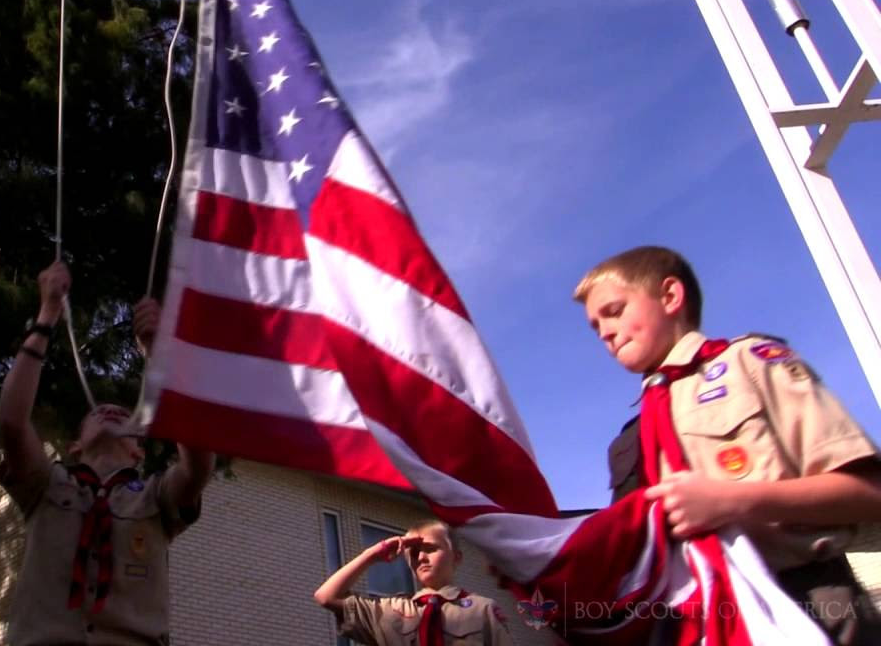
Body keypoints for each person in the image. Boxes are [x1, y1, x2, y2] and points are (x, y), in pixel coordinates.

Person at [575, 245, 881, 643]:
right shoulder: (631, 438)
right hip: (693, 623)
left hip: (803, 603)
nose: (605, 333)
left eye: (614, 311)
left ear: (670, 297)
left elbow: (870, 492)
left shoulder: (749, 363)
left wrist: (732, 501)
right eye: (596, 327)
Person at [0, 260, 214, 645]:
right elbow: (12, 423)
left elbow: (198, 465)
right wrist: (46, 314)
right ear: (74, 445)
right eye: (97, 412)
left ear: (139, 452)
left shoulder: (156, 498)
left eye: (124, 414)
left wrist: (160, 356)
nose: (111, 409)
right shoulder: (47, 485)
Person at [314, 519, 513, 645]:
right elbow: (326, 596)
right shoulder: (389, 610)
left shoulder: (481, 609)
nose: (421, 558)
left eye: (430, 549)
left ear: (457, 557)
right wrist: (373, 554)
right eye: (415, 553)